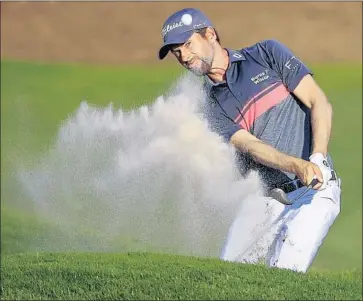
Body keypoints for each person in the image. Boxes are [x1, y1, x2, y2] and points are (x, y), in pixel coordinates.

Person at [157, 7, 342, 273]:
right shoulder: (206, 104)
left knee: (285, 269)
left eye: (187, 44)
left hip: (313, 190)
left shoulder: (266, 53)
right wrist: (296, 166)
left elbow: (319, 102)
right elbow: (250, 147)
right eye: (176, 52)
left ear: (210, 35)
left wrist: (316, 158)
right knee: (231, 278)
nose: (184, 57)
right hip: (264, 199)